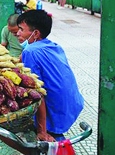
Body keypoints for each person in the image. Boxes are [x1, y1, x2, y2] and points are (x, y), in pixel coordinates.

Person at [16, 10, 84, 142]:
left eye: (21, 29)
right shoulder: (53, 46)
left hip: (56, 109)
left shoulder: (30, 51)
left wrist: (42, 131)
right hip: (71, 104)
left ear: (35, 33)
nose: (17, 33)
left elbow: (38, 92)